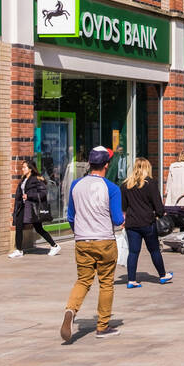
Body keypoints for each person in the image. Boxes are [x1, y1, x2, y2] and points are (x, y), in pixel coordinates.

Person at [61, 146, 125, 340]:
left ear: (89, 164)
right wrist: (122, 219)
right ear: (106, 164)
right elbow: (116, 219)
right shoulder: (112, 188)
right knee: (106, 283)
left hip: (82, 240)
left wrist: (78, 232)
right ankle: (102, 326)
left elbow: (71, 216)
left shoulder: (76, 185)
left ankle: (70, 311)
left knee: (83, 280)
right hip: (104, 240)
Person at [120, 157, 173, 286]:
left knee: (133, 252)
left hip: (132, 223)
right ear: (147, 168)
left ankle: (131, 280)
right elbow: (158, 206)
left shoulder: (125, 185)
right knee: (154, 250)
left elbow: (123, 206)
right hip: (147, 222)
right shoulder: (150, 184)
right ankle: (162, 275)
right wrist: (161, 214)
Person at [9, 157, 59, 258]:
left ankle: (54, 245)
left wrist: (29, 196)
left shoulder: (36, 179)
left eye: (24, 167)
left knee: (38, 228)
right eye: (22, 167)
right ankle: (19, 250)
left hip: (32, 208)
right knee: (18, 226)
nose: (22, 169)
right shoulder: (24, 179)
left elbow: (43, 193)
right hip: (23, 206)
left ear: (30, 168)